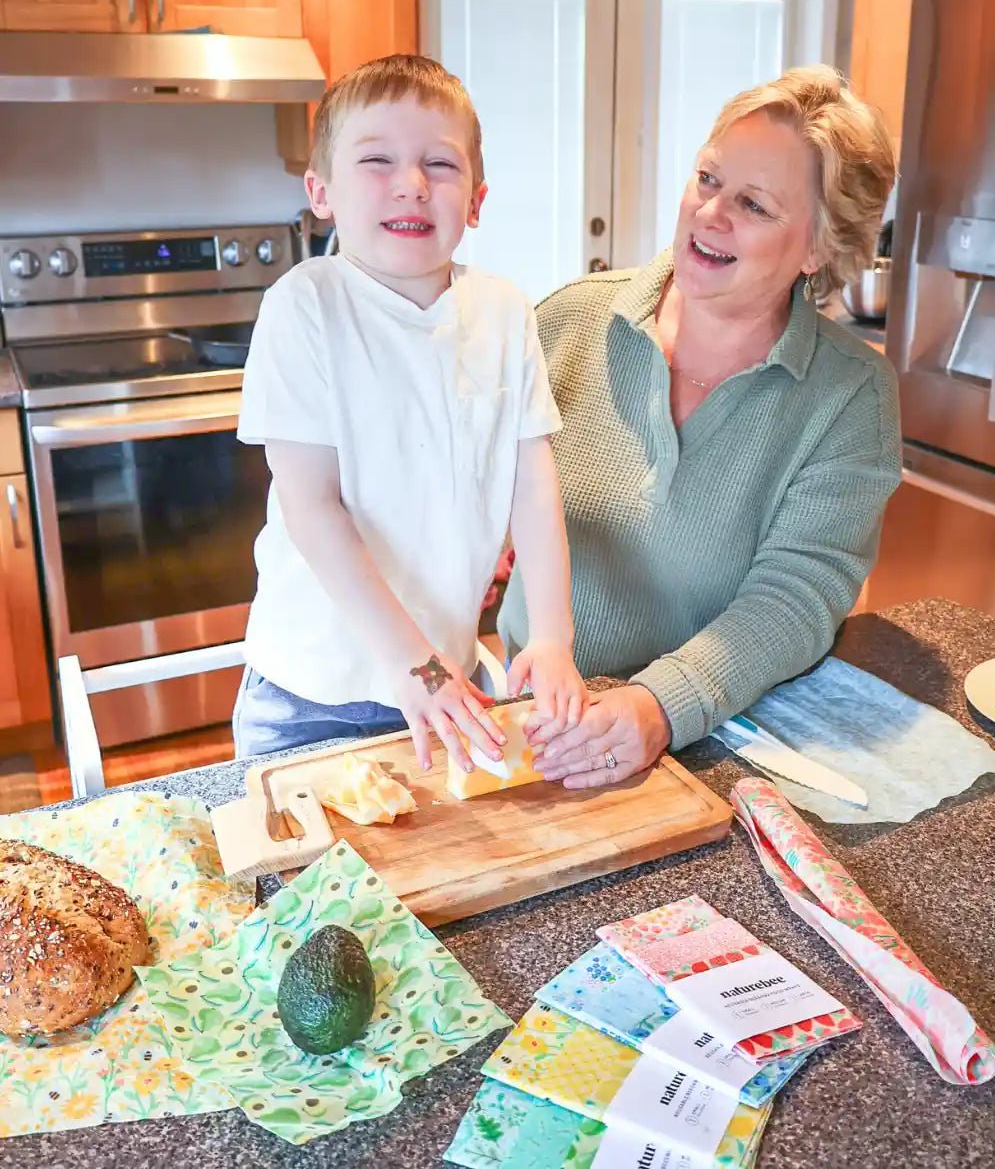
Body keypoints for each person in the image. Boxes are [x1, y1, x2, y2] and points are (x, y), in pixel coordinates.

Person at [499, 65, 901, 787]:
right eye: (708, 178)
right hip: (536, 725)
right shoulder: (564, 323)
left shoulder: (849, 397)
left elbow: (796, 597)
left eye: (753, 203)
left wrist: (658, 706)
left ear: (818, 248)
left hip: (717, 741)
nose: (710, 213)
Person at [234, 55, 587, 766]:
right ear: (322, 190)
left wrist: (551, 637)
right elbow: (311, 507)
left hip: (447, 680)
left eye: (439, 164)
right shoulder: (306, 306)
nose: (412, 185)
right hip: (312, 698)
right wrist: (412, 663)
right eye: (377, 160)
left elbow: (534, 483)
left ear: (477, 201)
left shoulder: (505, 312)